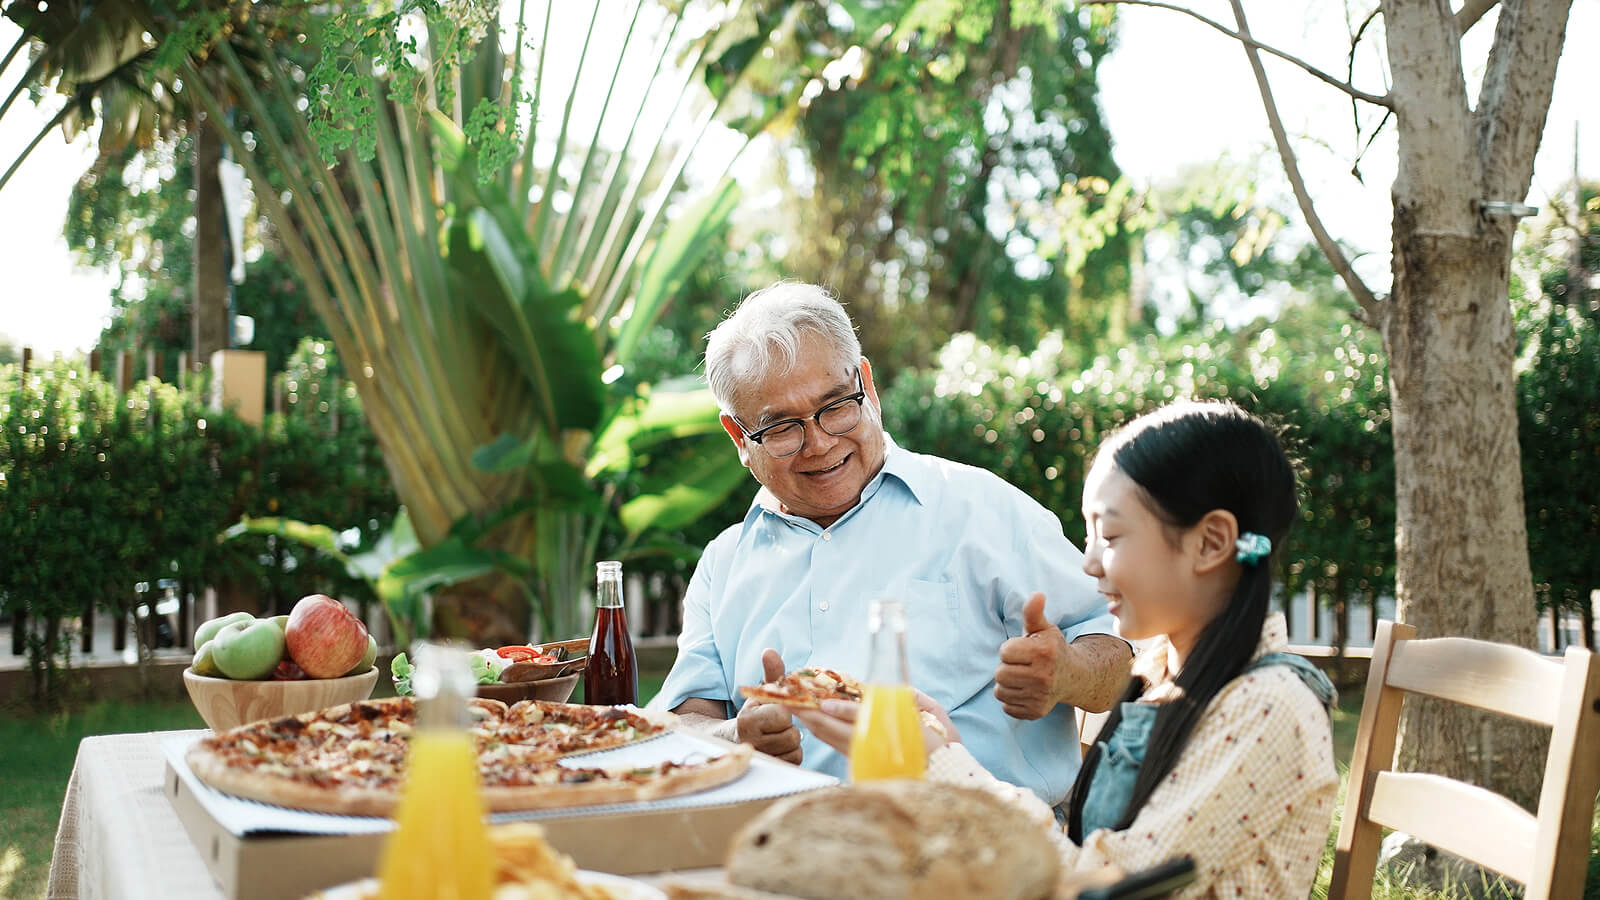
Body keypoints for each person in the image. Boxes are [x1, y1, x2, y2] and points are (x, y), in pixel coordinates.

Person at [797, 400, 1339, 897]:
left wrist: (944, 764)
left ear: (1211, 542)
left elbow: (1105, 886)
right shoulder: (1162, 674)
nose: (1090, 563)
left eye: (1112, 536)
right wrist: (947, 747)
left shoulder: (1267, 708)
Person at [650, 281, 1132, 804]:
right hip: (783, 853)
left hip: (977, 849)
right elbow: (683, 723)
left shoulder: (982, 510)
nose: (819, 443)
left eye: (835, 406)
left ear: (868, 387)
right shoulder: (723, 564)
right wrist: (736, 736)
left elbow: (1122, 654)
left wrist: (1068, 674)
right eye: (782, 428)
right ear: (739, 438)